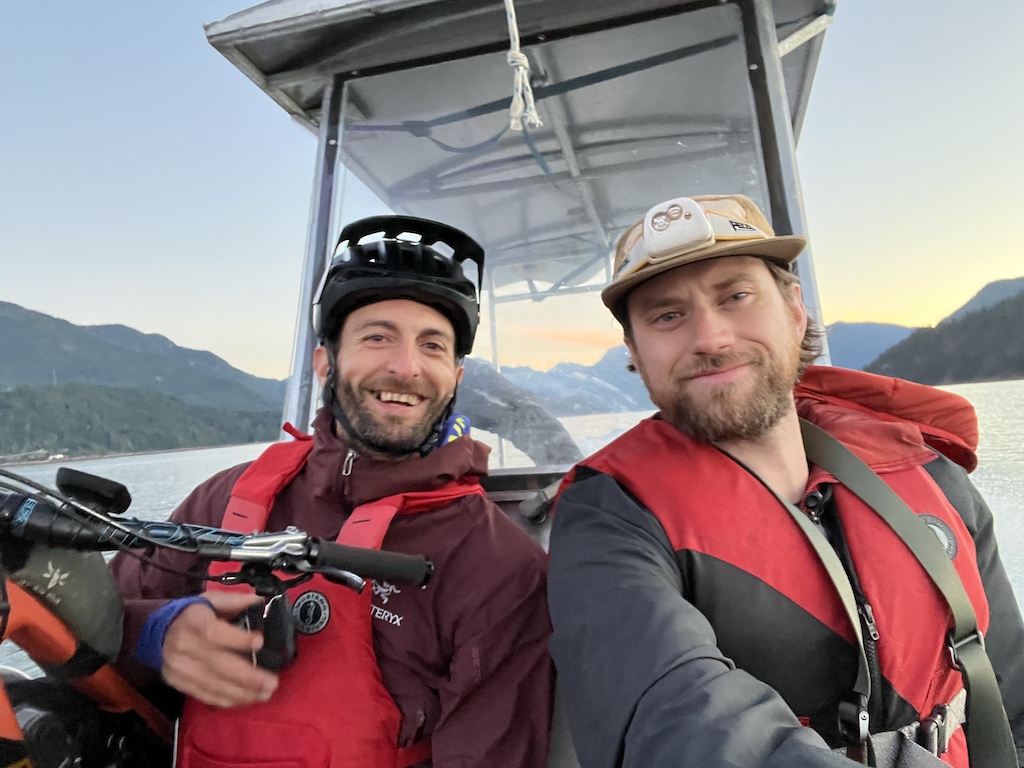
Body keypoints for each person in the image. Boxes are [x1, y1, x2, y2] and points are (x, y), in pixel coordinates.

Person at [546, 194, 1024, 768]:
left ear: (795, 310)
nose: (712, 337)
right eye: (667, 316)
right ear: (636, 353)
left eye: (736, 296)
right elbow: (675, 717)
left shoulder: (928, 474)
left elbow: (1008, 681)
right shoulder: (610, 516)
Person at [112, 215, 553, 767]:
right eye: (376, 337)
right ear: (326, 361)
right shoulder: (222, 503)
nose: (404, 366)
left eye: (433, 346)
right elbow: (89, 629)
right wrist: (153, 633)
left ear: (456, 377)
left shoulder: (498, 569)